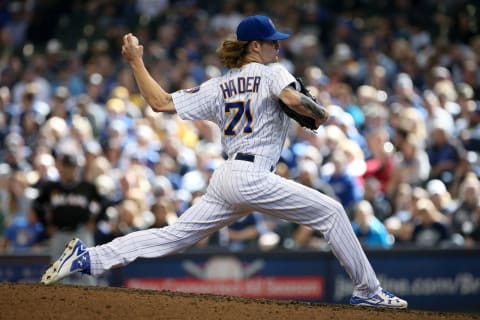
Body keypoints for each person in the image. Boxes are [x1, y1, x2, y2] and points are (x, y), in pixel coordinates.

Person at [40, 15, 407, 309]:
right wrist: (322, 114)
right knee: (331, 212)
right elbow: (295, 103)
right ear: (255, 46)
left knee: (173, 236)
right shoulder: (272, 72)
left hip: (227, 177)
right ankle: (368, 290)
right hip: (251, 175)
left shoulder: (219, 85)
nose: (278, 48)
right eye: (272, 42)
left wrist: (136, 61)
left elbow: (160, 103)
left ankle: (88, 258)